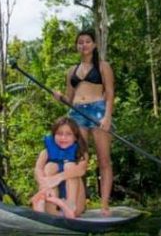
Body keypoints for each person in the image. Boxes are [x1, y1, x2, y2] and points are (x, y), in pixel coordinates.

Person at [53, 30, 115, 216]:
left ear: (94, 45)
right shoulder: (71, 71)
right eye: (80, 42)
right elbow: (69, 99)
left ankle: (104, 205)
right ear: (77, 46)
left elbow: (110, 93)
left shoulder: (103, 66)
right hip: (77, 112)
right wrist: (60, 97)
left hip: (98, 111)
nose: (84, 45)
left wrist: (107, 117)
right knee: (78, 160)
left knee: (104, 160)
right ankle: (78, 203)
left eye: (87, 41)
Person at [31, 116, 89, 218]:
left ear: (75, 137)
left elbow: (81, 170)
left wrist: (57, 178)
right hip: (52, 197)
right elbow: (38, 169)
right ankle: (50, 208)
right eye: (59, 134)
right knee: (49, 167)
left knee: (70, 166)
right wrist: (44, 183)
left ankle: (70, 206)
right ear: (53, 136)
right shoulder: (46, 152)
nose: (63, 138)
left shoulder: (80, 152)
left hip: (75, 202)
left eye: (68, 134)